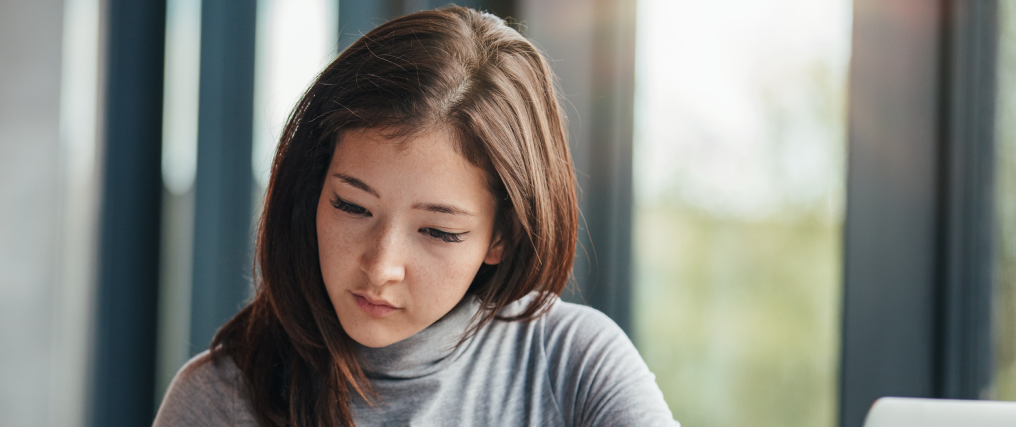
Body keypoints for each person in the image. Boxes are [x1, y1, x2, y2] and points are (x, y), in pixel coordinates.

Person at [154, 6, 676, 426]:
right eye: (352, 206)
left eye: (439, 232)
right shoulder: (221, 399)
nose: (381, 267)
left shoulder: (573, 365)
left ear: (502, 237)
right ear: (311, 190)